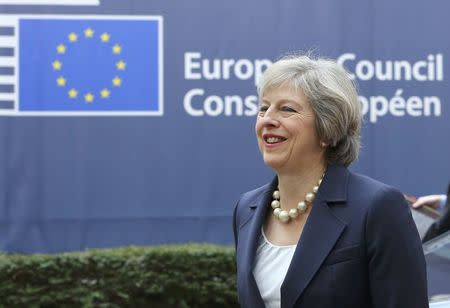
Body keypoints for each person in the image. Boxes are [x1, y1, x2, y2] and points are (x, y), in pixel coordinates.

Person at [232, 54, 428, 308]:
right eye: (263, 108)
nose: (267, 119)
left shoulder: (377, 207)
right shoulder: (246, 209)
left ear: (327, 129)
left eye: (287, 109)